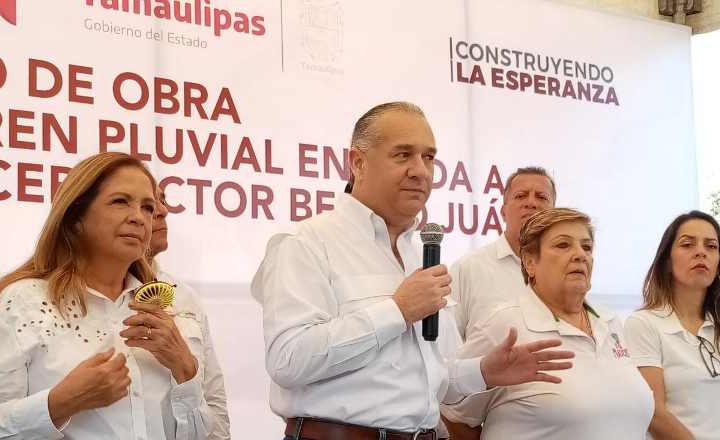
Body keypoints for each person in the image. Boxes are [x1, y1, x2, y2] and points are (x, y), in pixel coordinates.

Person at [251, 102, 575, 440]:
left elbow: (433, 378)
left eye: (428, 157)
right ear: (358, 162)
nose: (421, 171)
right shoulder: (306, 243)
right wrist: (397, 310)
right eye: (403, 155)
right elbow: (288, 360)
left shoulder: (420, 256)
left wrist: (484, 371)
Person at [0, 152, 212, 440]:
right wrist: (59, 403)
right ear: (76, 217)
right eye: (120, 201)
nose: (139, 218)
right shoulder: (22, 302)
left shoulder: (167, 309)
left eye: (147, 207)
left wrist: (185, 368)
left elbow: (199, 435)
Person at [441, 208, 654, 439]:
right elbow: (454, 414)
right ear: (530, 262)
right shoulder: (505, 325)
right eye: (563, 245)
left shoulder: (610, 321)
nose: (580, 255)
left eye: (586, 247)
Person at [624, 211, 720, 440]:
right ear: (667, 261)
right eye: (687, 244)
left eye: (711, 246)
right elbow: (654, 414)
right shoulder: (643, 324)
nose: (701, 252)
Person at [147, 187, 231, 440]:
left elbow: (213, 397)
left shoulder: (184, 296)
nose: (163, 211)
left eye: (162, 200)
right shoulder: (55, 299)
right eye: (148, 203)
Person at [451, 166, 556, 340]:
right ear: (503, 212)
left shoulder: (563, 272)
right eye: (521, 196)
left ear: (554, 214)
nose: (531, 203)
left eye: (541, 197)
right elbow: (447, 346)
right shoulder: (468, 269)